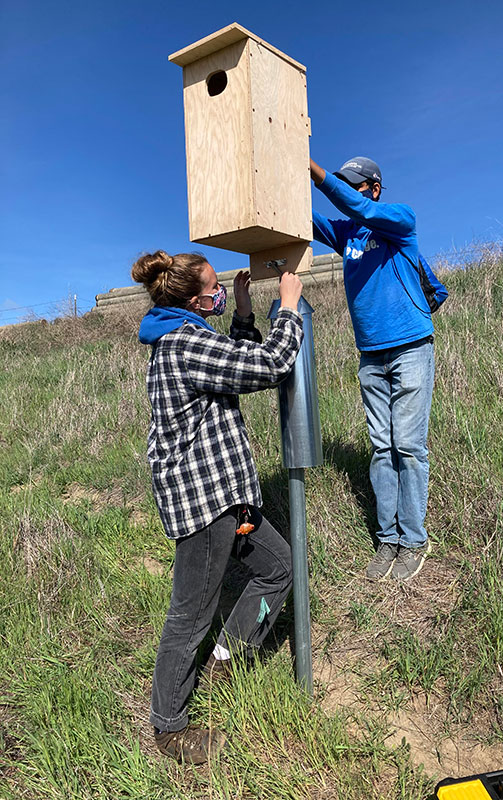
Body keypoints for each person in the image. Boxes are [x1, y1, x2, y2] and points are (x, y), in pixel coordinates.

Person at [131, 250, 303, 764]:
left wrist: (245, 310)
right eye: (215, 289)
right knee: (189, 615)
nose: (220, 292)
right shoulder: (183, 343)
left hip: (229, 496)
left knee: (278, 568)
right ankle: (169, 728)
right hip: (205, 504)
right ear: (192, 299)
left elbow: (231, 362)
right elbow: (267, 366)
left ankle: (228, 656)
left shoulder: (184, 335)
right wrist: (288, 310)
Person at [310, 156, 447, 582]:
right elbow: (303, 220)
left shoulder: (398, 219)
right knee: (381, 449)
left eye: (355, 185)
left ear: (374, 187)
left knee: (408, 446)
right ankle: (387, 539)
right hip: (370, 355)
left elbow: (361, 209)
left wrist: (314, 171)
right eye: (343, 184)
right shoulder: (347, 234)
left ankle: (413, 540)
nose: (350, 192)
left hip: (409, 348)